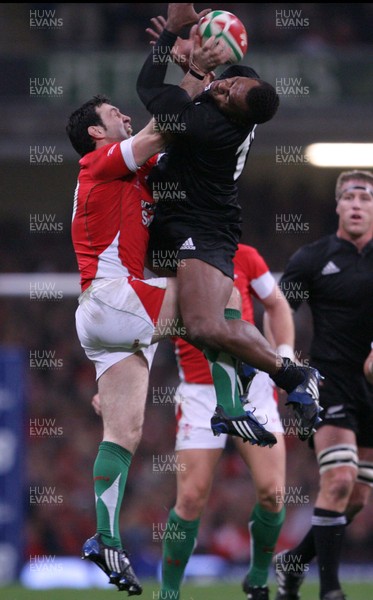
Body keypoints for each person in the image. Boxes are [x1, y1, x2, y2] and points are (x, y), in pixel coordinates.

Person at [66, 4, 321, 595]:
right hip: (121, 298)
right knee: (214, 298)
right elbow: (160, 117)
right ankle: (276, 380)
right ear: (98, 134)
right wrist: (189, 56)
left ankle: (103, 539)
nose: (123, 117)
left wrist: (186, 50)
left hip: (101, 320)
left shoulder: (140, 171)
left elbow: (164, 126)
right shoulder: (103, 160)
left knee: (121, 435)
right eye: (113, 117)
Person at [137, 3, 321, 444]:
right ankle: (233, 398)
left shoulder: (207, 126)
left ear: (233, 115)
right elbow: (211, 79)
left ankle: (293, 373)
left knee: (201, 323)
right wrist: (192, 53)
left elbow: (148, 87)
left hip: (204, 224)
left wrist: (173, 43)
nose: (222, 88)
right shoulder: (245, 88)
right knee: (198, 319)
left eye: (225, 94)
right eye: (228, 83)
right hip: (172, 217)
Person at [160, 243, 295, 600]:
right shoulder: (170, 263)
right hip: (200, 393)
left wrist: (284, 357)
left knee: (273, 493)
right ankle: (168, 593)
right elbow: (144, 323)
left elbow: (277, 303)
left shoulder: (246, 255)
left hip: (252, 386)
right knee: (189, 498)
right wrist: (107, 379)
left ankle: (257, 580)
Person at [273, 170, 373, 600]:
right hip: (329, 384)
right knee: (337, 481)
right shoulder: (313, 257)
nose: (356, 204)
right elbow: (279, 306)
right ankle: (331, 591)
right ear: (337, 206)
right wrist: (284, 355)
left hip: (370, 389)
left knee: (356, 500)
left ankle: (293, 563)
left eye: (365, 198)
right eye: (349, 196)